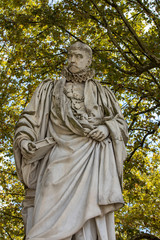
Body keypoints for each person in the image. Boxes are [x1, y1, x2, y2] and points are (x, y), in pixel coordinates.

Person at [14, 41, 128, 240]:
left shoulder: (103, 93)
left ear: (89, 61)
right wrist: (24, 140)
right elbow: (29, 119)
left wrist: (105, 128)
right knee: (48, 191)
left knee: (88, 219)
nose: (73, 60)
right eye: (70, 55)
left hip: (93, 156)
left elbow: (120, 123)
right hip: (58, 154)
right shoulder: (48, 89)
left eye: (79, 56)